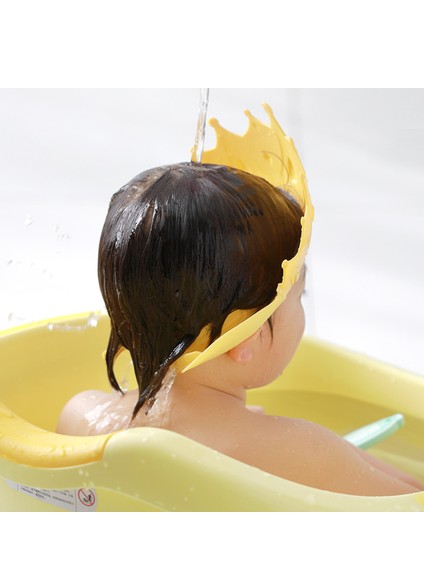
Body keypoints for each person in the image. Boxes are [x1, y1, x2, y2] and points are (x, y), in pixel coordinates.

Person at [57, 161, 424, 497]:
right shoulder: (302, 451)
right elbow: (411, 503)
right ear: (247, 337)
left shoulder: (82, 416)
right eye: (299, 294)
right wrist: (337, 452)